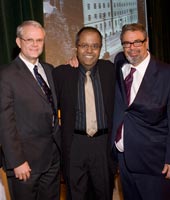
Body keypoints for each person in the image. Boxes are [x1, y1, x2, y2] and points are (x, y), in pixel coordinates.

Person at [53, 26, 117, 200]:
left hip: (103, 146)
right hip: (75, 145)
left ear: (101, 48)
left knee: (104, 194)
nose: (89, 50)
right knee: (76, 195)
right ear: (76, 47)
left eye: (95, 46)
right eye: (84, 45)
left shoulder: (110, 70)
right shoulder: (61, 74)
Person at [0, 20, 61, 200]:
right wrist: (17, 161)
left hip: (52, 159)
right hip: (25, 164)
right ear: (19, 42)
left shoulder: (49, 70)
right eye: (29, 40)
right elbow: (5, 122)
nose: (35, 44)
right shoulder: (6, 75)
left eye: (39, 40)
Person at [111, 23, 170, 200]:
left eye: (137, 42)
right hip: (124, 161)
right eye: (127, 43)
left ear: (147, 42)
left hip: (155, 163)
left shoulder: (166, 73)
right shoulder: (119, 64)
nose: (132, 48)